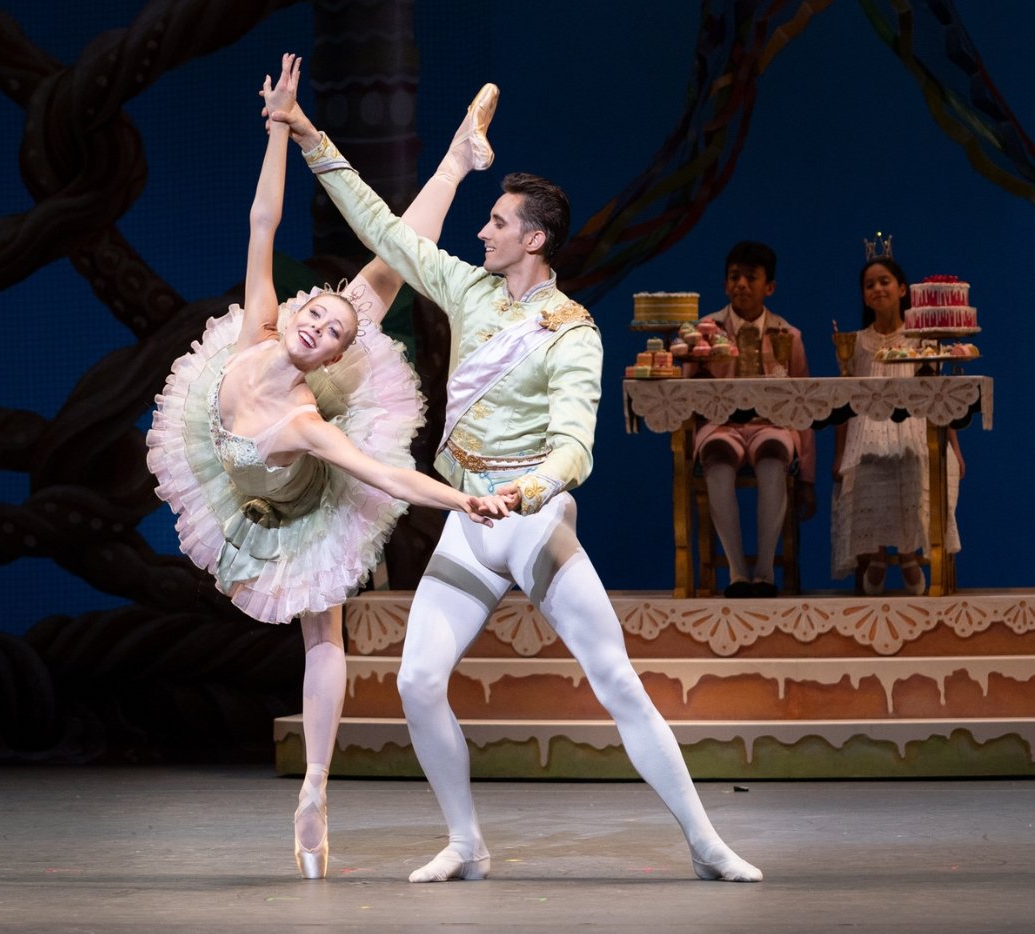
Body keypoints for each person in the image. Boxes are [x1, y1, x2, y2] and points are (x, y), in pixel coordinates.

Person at [270, 94, 762, 884]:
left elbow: (573, 447)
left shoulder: (572, 330)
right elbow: (385, 230)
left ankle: (706, 841)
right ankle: (467, 844)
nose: (481, 231)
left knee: (616, 679)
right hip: (470, 516)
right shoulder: (469, 291)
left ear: (532, 238)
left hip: (531, 520)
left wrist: (526, 494)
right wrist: (306, 134)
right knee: (418, 680)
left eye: (496, 222)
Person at [145, 54, 510, 880]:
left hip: (306, 496)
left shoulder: (310, 419)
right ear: (297, 314)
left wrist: (464, 500)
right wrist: (278, 126)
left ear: (334, 357)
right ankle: (453, 162)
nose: (318, 325)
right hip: (240, 487)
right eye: (317, 312)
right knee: (373, 276)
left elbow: (391, 481)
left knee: (323, 630)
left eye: (336, 333)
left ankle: (314, 786)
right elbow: (262, 223)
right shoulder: (257, 331)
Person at [830, 255, 963, 593]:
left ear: (902, 289)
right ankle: (874, 552)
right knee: (866, 464)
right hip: (867, 427)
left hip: (914, 425)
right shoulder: (856, 343)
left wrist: (954, 449)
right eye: (870, 284)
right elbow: (844, 404)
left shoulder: (921, 341)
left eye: (884, 281)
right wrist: (839, 453)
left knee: (912, 459)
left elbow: (938, 399)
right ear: (864, 295)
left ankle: (907, 553)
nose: (877, 289)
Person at [691, 242, 817, 597]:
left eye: (751, 277)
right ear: (725, 284)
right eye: (735, 277)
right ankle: (736, 573)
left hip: (770, 424)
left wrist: (807, 475)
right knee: (716, 456)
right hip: (721, 425)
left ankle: (764, 572)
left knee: (774, 455)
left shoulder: (787, 336)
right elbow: (687, 394)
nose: (742, 284)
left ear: (769, 287)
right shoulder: (705, 332)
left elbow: (803, 405)